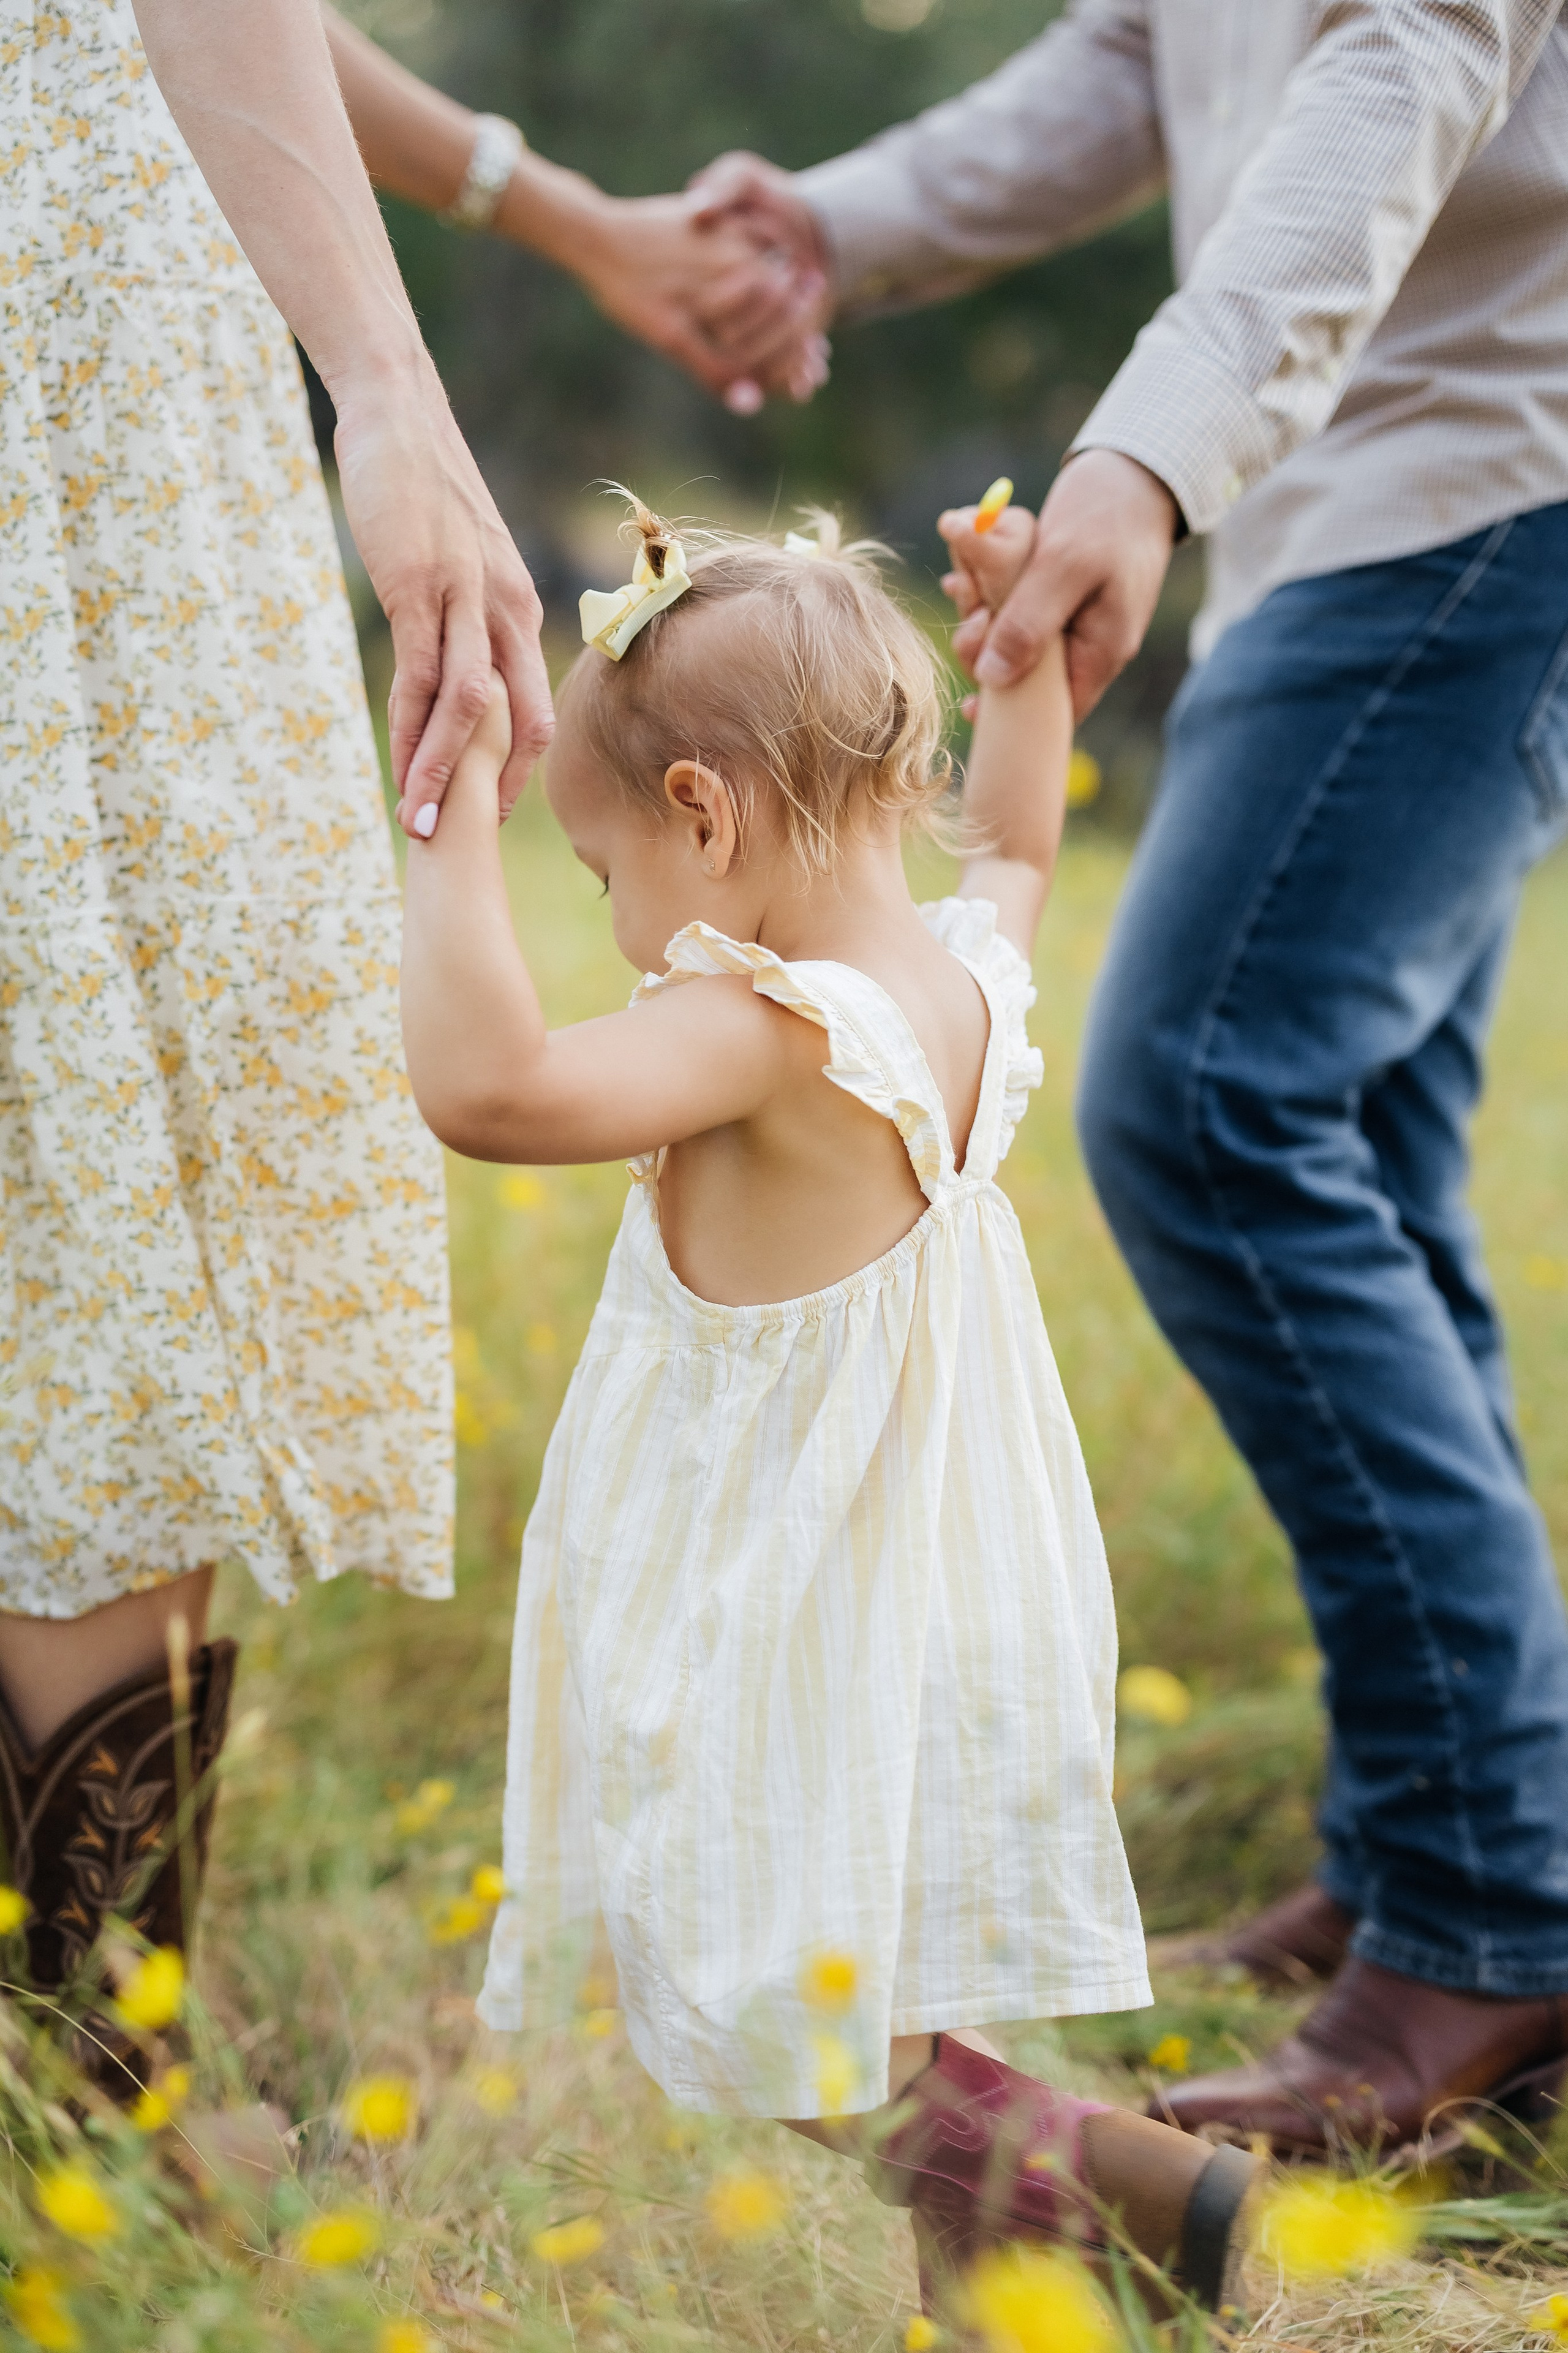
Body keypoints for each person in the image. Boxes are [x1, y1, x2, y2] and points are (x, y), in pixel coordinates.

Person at [675, 0, 1568, 2153]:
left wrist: (1151, 447)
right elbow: (1138, 60)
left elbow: (1401, 61)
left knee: (1208, 1100)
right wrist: (831, 218)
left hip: (1475, 476)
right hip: (1350, 493)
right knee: (1350, 1139)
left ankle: (1495, 1911)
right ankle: (1444, 1821)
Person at [398, 493, 1258, 2314]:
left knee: (744, 1989)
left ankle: (1118, 2180)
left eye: (602, 867)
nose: (613, 914)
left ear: (705, 813)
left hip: (768, 1605)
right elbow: (1020, 843)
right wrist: (1023, 661)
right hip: (935, 1579)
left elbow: (489, 1089)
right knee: (879, 1964)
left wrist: (450, 810)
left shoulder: (766, 1028)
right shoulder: (965, 980)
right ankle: (1005, 2283)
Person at [0, 0, 552, 2044]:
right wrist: (392, 384)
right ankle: (102, 2061)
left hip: (113, 269)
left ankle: (99, 2038)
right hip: (74, 307)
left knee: (111, 1123)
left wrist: (549, 217)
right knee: (102, 1159)